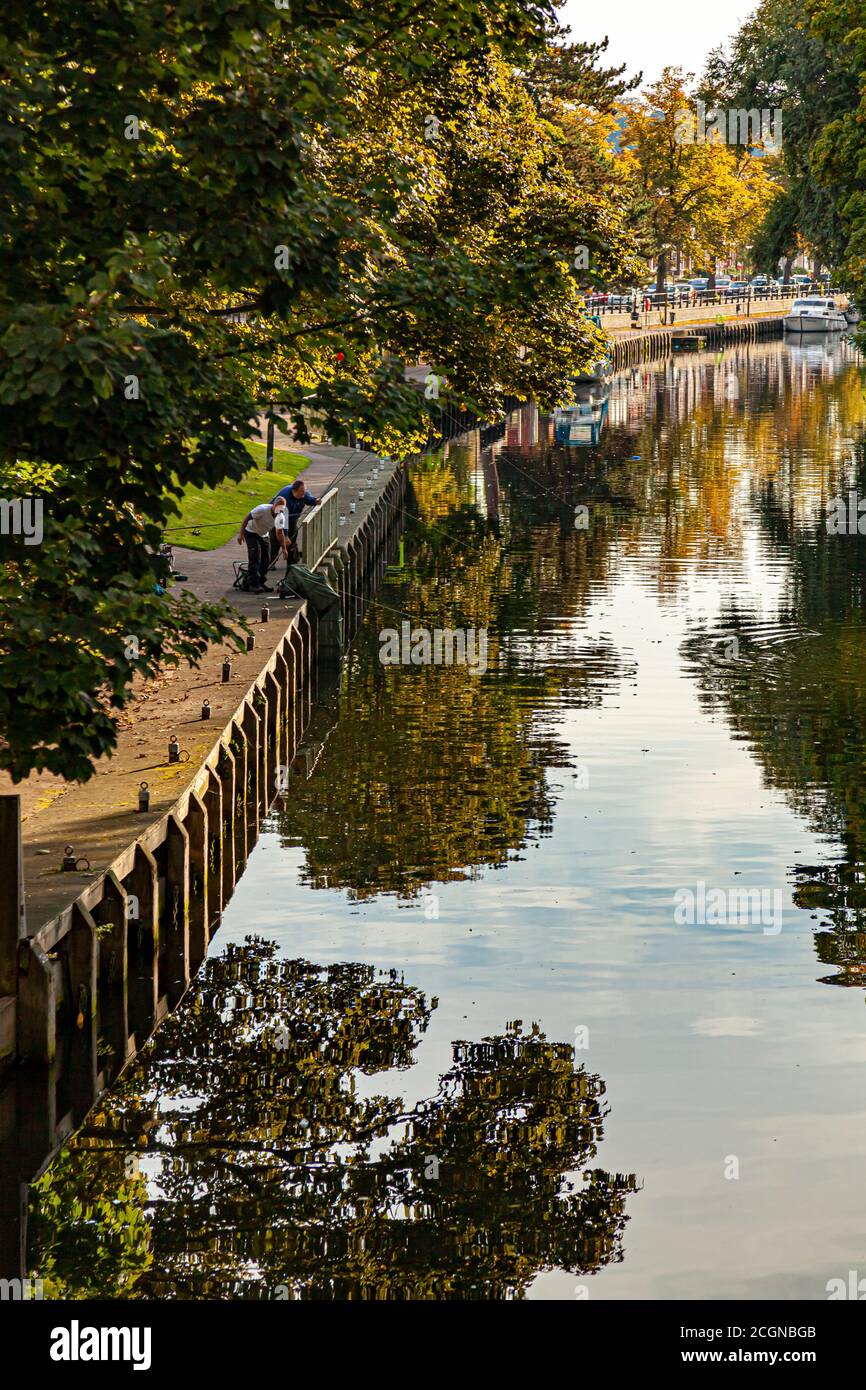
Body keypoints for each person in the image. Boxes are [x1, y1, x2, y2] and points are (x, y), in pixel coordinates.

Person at [237, 497, 288, 593]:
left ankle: (260, 582)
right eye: (278, 508)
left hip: (263, 535)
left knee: (266, 559)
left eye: (282, 509)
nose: (279, 511)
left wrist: (284, 549)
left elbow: (279, 533)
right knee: (255, 557)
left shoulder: (281, 517)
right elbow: (246, 518)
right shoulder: (262, 509)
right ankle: (253, 584)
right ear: (274, 505)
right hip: (251, 532)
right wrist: (241, 534)